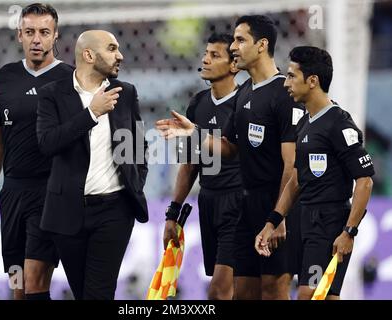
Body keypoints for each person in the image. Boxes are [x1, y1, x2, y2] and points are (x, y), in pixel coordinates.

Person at [156, 15, 305, 300]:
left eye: (240, 40)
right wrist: (195, 132)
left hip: (275, 204)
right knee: (243, 293)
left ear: (261, 45)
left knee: (273, 291)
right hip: (245, 207)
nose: (234, 47)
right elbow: (230, 148)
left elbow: (291, 164)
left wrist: (279, 216)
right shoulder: (245, 93)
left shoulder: (284, 93)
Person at [255, 46, 374, 300]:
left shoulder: (339, 123)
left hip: (329, 221)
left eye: (291, 76)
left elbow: (364, 181)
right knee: (324, 296)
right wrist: (273, 221)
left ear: (312, 81)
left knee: (309, 295)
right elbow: (297, 179)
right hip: (305, 219)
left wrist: (349, 232)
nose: (286, 83)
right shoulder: (304, 122)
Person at [36, 30, 148, 300]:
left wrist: (134, 182)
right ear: (88, 55)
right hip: (67, 212)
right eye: (112, 49)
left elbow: (138, 147)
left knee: (99, 293)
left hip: (114, 211)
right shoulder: (52, 94)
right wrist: (91, 113)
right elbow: (47, 143)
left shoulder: (126, 92)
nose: (120, 55)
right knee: (82, 293)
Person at [0, 3, 73, 300]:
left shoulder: (71, 80)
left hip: (51, 194)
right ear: (19, 35)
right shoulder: (4, 78)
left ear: (55, 36)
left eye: (44, 32)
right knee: (18, 286)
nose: (36, 39)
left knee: (34, 281)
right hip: (13, 195)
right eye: (29, 32)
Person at [163, 33, 242, 300]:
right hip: (209, 202)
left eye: (214, 55)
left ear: (234, 65)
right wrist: (172, 213)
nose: (205, 60)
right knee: (233, 291)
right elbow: (190, 164)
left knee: (219, 292)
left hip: (239, 204)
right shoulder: (198, 103)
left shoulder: (246, 103)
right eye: (205, 53)